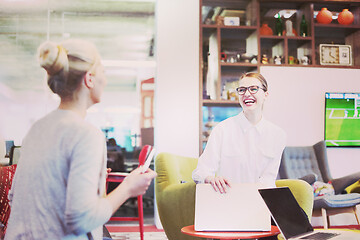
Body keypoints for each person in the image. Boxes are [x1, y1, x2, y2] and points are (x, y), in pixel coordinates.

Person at [5, 39, 157, 240]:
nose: (106, 80)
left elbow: (15, 196)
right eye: (103, 72)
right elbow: (82, 220)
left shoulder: (36, 129)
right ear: (90, 79)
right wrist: (128, 187)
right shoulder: (86, 134)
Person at [192, 72, 286, 193]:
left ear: (266, 94)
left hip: (261, 202)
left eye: (253, 89)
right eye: (242, 90)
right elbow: (200, 172)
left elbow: (268, 179)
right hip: (227, 199)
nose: (247, 94)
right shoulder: (222, 130)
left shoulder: (278, 135)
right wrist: (211, 179)